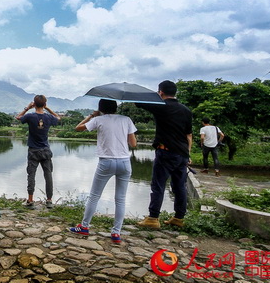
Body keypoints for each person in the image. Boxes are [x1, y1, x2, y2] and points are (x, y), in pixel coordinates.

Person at [68, 99, 137, 244]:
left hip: (106, 162)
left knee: (94, 196)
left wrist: (91, 116)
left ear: (100, 109)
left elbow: (78, 128)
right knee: (120, 199)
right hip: (125, 162)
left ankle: (84, 227)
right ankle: (116, 233)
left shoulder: (98, 119)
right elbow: (133, 143)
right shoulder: (126, 119)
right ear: (115, 108)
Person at [136, 80, 193, 229]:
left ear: (161, 92)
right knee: (179, 186)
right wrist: (188, 155)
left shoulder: (161, 106)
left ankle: (153, 218)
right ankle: (178, 218)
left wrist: (153, 96)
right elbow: (189, 135)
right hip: (182, 155)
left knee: (158, 185)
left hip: (166, 153)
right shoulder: (186, 110)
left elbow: (139, 103)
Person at [16, 95, 61, 209]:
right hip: (45, 150)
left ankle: (30, 200)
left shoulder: (30, 116)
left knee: (31, 175)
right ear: (44, 105)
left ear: (34, 104)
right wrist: (48, 109)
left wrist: (27, 108)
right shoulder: (49, 117)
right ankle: (49, 200)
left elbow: (18, 117)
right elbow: (58, 118)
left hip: (33, 151)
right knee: (48, 175)